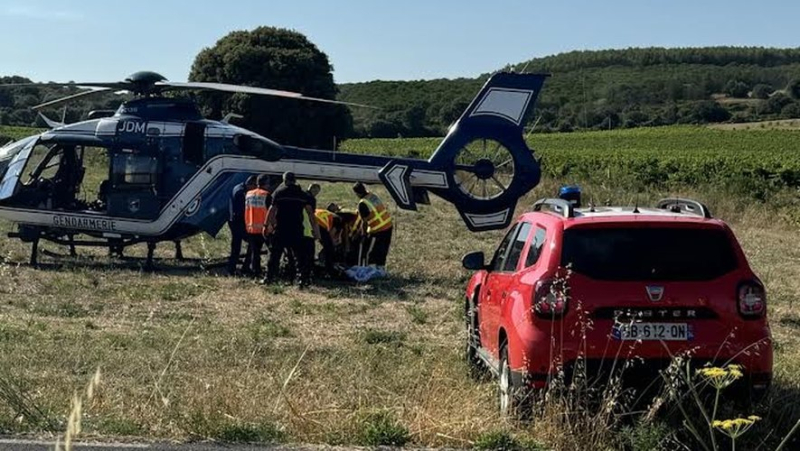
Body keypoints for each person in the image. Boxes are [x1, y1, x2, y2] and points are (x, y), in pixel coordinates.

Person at [264, 172, 319, 287]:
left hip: (281, 228)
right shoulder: (302, 194)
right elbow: (310, 214)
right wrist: (316, 230)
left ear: (285, 181)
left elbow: (272, 210)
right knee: (300, 257)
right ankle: (302, 281)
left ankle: (269, 278)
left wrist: (266, 226)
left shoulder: (279, 193)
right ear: (295, 180)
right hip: (297, 229)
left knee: (274, 255)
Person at [353, 182, 393, 272]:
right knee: (383, 249)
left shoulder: (362, 203)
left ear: (357, 193)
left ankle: (370, 268)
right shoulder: (372, 196)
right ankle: (381, 268)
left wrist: (363, 235)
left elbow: (364, 222)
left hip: (378, 229)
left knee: (370, 251)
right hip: (388, 226)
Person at [227, 175, 257, 275]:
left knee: (236, 245)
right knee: (251, 243)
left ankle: (232, 268)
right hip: (238, 222)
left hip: (234, 221)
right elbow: (242, 211)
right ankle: (244, 267)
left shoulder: (238, 187)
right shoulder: (241, 193)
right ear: (251, 184)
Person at [244, 174, 272, 277]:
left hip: (251, 227)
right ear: (266, 184)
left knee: (255, 253)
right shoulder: (266, 195)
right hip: (264, 228)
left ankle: (255, 272)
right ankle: (270, 272)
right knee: (272, 251)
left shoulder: (249, 194)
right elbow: (271, 212)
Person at [315, 203, 344, 275]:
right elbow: (331, 235)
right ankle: (329, 271)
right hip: (319, 225)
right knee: (329, 248)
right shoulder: (337, 219)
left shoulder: (323, 212)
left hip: (309, 221)